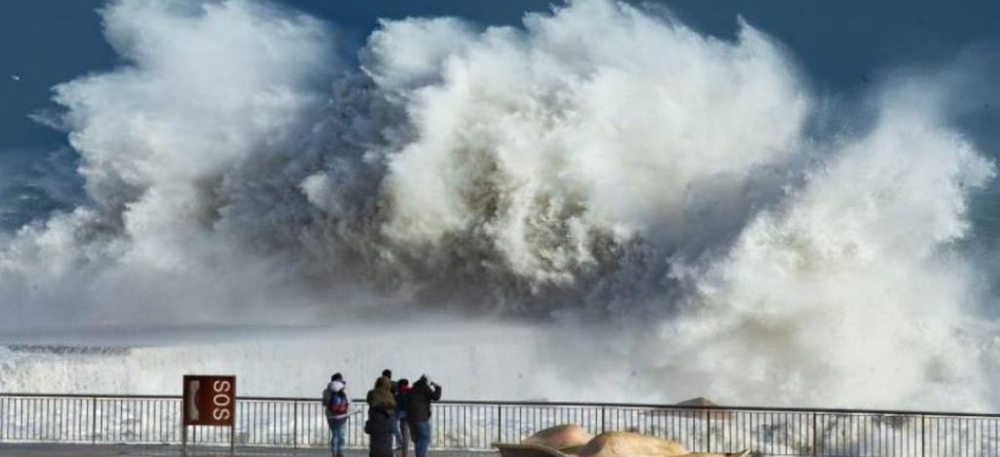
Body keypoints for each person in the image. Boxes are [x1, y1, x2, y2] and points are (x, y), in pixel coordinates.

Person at [405, 375, 442, 457]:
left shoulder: (414, 388)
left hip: (411, 419)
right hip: (421, 418)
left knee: (418, 439)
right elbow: (435, 396)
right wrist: (438, 387)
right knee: (425, 438)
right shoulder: (424, 388)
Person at [366, 376, 396, 457]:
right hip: (386, 441)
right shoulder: (390, 398)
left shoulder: (371, 395)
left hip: (374, 441)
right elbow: (393, 428)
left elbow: (367, 429)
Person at [322, 373, 351, 457]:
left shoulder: (327, 390)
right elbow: (349, 401)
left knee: (335, 434)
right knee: (341, 434)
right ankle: (339, 451)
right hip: (342, 415)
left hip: (331, 415)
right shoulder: (344, 389)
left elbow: (324, 403)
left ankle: (334, 453)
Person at [381, 369, 404, 450]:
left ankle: (399, 443)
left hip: (385, 409)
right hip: (393, 409)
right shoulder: (394, 385)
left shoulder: (381, 385)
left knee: (390, 428)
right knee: (393, 428)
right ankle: (400, 443)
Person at [394, 378, 412, 457]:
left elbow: (397, 404)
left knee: (403, 434)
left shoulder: (399, 393)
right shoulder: (411, 392)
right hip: (409, 416)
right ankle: (405, 453)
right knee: (406, 435)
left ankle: (404, 452)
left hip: (402, 416)